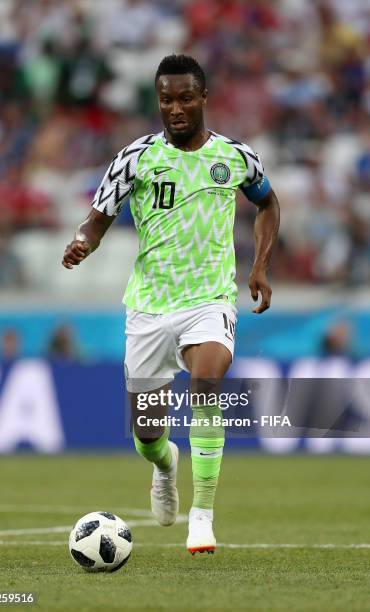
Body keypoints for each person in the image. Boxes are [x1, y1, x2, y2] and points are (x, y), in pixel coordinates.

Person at [62, 54, 280, 554]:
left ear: (203, 98)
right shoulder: (135, 158)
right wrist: (81, 242)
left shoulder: (236, 157)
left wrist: (260, 265)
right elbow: (96, 220)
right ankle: (165, 467)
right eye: (166, 99)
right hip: (148, 308)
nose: (175, 108)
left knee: (206, 382)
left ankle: (201, 515)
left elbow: (268, 203)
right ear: (157, 101)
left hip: (209, 299)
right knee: (146, 432)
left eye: (184, 98)